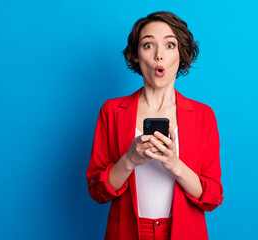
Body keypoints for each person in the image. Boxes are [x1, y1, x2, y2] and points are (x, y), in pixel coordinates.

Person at [86, 11, 224, 240]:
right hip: (127, 232)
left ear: (181, 55)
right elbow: (97, 191)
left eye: (170, 45)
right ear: (136, 56)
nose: (159, 55)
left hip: (184, 232)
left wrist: (174, 164)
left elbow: (212, 197)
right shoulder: (111, 111)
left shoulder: (203, 115)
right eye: (148, 45)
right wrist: (129, 159)